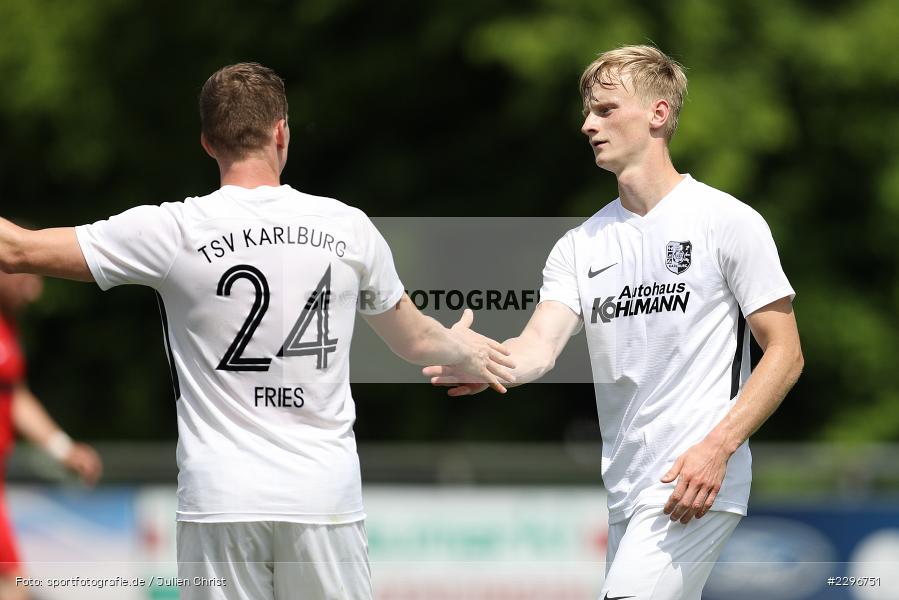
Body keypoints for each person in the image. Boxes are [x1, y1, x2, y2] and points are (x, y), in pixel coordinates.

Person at [0, 63, 513, 600]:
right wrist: (469, 351)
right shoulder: (347, 227)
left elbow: (17, 251)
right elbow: (416, 341)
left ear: (206, 143)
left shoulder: (173, 229)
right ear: (281, 132)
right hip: (322, 499)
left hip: (220, 498)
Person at [425, 45, 803, 600]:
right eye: (588, 112)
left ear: (658, 114)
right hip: (626, 489)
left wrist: (718, 447)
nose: (587, 124)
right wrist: (481, 358)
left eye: (604, 110)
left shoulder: (726, 221)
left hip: (691, 482)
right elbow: (539, 347)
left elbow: (787, 353)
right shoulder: (579, 246)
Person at [0, 270, 103, 599]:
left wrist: (63, 449)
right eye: (25, 277)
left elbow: (14, 396)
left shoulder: (8, 330)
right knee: (14, 585)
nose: (34, 290)